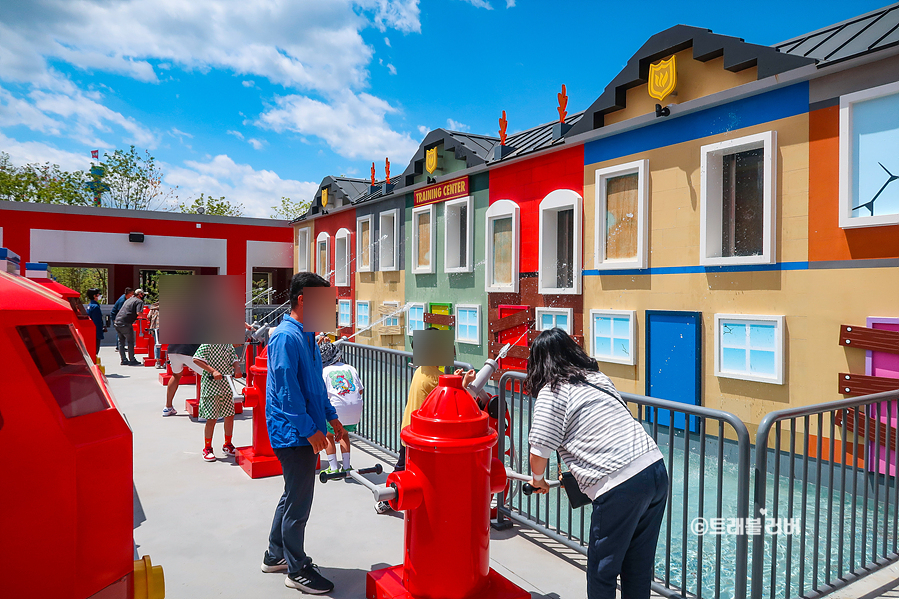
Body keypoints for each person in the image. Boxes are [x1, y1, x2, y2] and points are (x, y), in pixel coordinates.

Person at [524, 328, 668, 599]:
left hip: (620, 483)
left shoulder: (553, 390)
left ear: (539, 362)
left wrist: (538, 480)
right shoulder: (597, 378)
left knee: (603, 568)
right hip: (655, 468)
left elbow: (539, 449)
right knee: (637, 566)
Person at [261, 272, 346, 594]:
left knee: (291, 496)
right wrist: (310, 430)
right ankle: (297, 570)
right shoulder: (286, 336)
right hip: (293, 434)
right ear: (303, 300)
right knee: (299, 504)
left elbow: (315, 386)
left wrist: (332, 419)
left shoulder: (308, 335)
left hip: (305, 429)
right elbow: (287, 391)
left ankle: (275, 554)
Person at [375, 327, 441, 514]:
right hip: (418, 434)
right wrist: (464, 383)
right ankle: (387, 500)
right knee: (405, 468)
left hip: (408, 428)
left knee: (403, 466)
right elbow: (445, 395)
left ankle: (392, 497)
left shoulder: (423, 370)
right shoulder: (434, 377)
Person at [318, 338, 364, 474]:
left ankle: (333, 468)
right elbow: (360, 390)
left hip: (336, 411)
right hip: (354, 411)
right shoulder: (351, 368)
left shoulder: (324, 372)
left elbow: (323, 394)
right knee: (344, 435)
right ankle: (347, 467)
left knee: (328, 435)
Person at [193, 343, 242, 461]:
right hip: (211, 385)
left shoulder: (228, 345)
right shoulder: (207, 344)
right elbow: (196, 359)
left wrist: (237, 368)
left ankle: (228, 444)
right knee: (212, 418)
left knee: (230, 415)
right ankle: (207, 447)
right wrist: (213, 371)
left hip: (227, 383)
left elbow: (234, 358)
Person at [163, 343, 203, 417]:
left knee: (176, 375)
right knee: (208, 375)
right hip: (188, 351)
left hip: (172, 350)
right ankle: (204, 411)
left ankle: (168, 407)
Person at [113, 288, 145, 366]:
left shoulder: (129, 300)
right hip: (126, 323)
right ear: (140, 294)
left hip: (117, 321)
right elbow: (139, 312)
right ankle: (132, 360)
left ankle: (123, 360)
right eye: (143, 294)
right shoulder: (139, 301)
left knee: (121, 342)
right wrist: (147, 317)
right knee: (130, 342)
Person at [85, 288, 105, 360]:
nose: (99, 295)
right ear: (94, 296)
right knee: (95, 351)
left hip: (91, 331)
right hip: (95, 332)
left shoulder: (90, 305)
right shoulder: (95, 307)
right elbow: (97, 322)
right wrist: (100, 332)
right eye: (98, 294)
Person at [147, 302, 163, 368]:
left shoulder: (153, 307)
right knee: (167, 345)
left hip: (156, 327)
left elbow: (148, 316)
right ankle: (166, 361)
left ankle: (157, 362)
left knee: (157, 345)